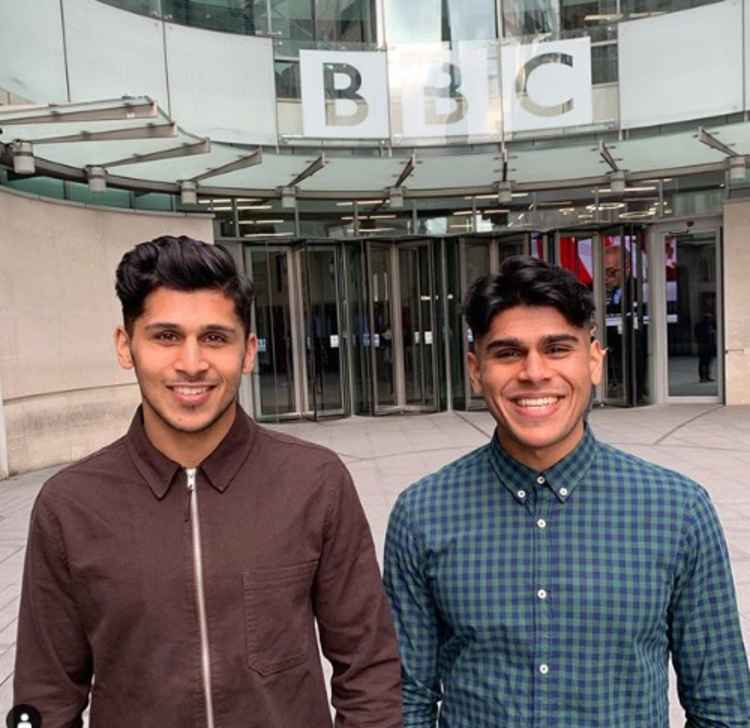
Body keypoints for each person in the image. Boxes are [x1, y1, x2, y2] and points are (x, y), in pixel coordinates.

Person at [13, 236, 402, 728]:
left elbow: (368, 669)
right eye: (166, 336)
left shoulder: (316, 482)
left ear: (248, 350)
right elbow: (47, 695)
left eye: (215, 337)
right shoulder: (69, 506)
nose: (192, 363)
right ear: (125, 346)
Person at [384, 255, 750, 727]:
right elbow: (405, 700)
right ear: (476, 370)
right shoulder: (423, 514)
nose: (534, 373)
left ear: (594, 360)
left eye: (557, 348)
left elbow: (722, 703)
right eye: (508, 352)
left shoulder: (676, 510)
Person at [695, 310, 717, 382]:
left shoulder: (710, 325)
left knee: (707, 362)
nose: (710, 319)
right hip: (704, 345)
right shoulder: (700, 325)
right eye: (709, 318)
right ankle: (702, 377)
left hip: (707, 345)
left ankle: (706, 376)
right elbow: (699, 335)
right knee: (703, 362)